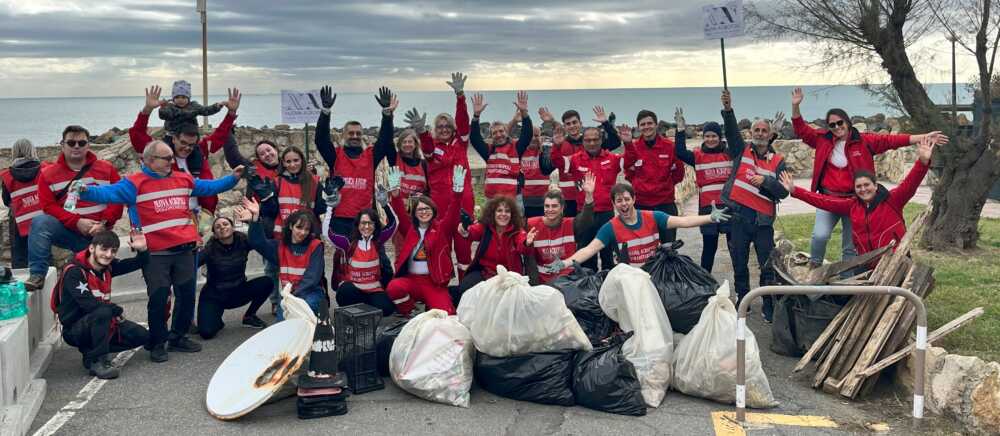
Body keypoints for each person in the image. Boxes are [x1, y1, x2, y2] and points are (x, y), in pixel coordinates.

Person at [73, 141, 243, 362]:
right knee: (159, 297)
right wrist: (84, 191)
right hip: (155, 254)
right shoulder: (134, 183)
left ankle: (178, 337)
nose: (172, 161)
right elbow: (107, 193)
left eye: (172, 157)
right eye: (167, 158)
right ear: (150, 160)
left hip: (185, 250)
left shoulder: (183, 178)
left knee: (186, 295)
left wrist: (233, 178)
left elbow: (209, 187)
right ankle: (158, 341)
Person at [790, 87, 948, 267]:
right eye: (832, 125)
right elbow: (801, 130)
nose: (837, 127)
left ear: (848, 122)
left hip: (855, 200)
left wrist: (923, 137)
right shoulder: (822, 139)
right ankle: (814, 267)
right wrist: (795, 106)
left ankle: (848, 281)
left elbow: (892, 141)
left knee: (850, 246)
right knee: (820, 235)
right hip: (829, 197)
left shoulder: (864, 141)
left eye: (840, 123)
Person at [782, 136, 936, 266]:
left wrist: (922, 161)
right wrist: (795, 191)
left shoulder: (893, 200)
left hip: (895, 262)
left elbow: (911, 183)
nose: (863, 189)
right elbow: (824, 201)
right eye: (859, 187)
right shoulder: (852, 205)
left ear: (875, 185)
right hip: (866, 264)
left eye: (867, 185)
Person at [542, 183, 730, 271]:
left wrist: (710, 218)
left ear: (633, 199)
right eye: (618, 201)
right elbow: (590, 249)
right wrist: (565, 262)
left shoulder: (653, 217)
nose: (623, 204)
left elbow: (683, 221)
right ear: (614, 204)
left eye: (626, 199)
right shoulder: (610, 228)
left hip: (654, 273)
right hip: (630, 279)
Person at [25, 125, 124, 291]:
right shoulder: (48, 174)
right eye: (71, 143)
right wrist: (76, 222)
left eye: (81, 142)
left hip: (101, 234)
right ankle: (37, 274)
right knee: (40, 222)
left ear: (88, 145)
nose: (76, 146)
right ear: (62, 145)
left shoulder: (106, 169)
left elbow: (117, 198)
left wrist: (103, 224)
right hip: (70, 231)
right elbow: (48, 206)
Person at [720, 89, 789, 322]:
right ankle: (743, 298)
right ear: (751, 133)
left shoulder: (778, 161)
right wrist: (728, 110)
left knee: (767, 265)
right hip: (739, 218)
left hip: (763, 222)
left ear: (770, 135)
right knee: (739, 263)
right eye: (756, 130)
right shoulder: (742, 150)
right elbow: (730, 132)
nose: (760, 133)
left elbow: (783, 192)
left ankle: (768, 303)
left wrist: (766, 181)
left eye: (764, 130)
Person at [51, 230, 150, 379]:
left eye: (113, 251)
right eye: (104, 249)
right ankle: (98, 360)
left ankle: (91, 353)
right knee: (102, 312)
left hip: (102, 321)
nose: (108, 255)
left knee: (143, 336)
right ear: (92, 248)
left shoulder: (107, 266)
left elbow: (135, 263)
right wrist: (116, 310)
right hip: (76, 330)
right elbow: (91, 305)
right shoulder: (74, 272)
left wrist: (142, 250)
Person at [130, 85, 240, 215]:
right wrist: (147, 110)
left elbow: (220, 135)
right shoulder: (159, 153)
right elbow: (137, 135)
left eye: (191, 144)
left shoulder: (200, 150)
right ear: (174, 138)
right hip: (171, 215)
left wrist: (231, 114)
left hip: (201, 215)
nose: (187, 148)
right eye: (183, 143)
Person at [315, 86, 398, 237]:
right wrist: (325, 112)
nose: (354, 136)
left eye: (358, 133)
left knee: (371, 257)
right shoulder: (336, 155)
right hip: (340, 218)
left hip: (365, 219)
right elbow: (321, 140)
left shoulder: (370, 155)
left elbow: (385, 140)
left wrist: (387, 114)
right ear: (344, 135)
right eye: (351, 133)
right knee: (343, 258)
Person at [385, 166, 466, 316]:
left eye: (427, 208)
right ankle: (411, 312)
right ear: (415, 213)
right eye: (420, 210)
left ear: (433, 211)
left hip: (433, 283)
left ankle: (431, 307)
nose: (424, 212)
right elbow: (400, 214)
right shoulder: (410, 229)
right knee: (393, 288)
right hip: (412, 280)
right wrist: (395, 195)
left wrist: (458, 193)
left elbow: (453, 212)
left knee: (446, 316)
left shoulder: (441, 229)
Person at [548, 121, 623, 270]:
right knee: (586, 254)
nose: (592, 143)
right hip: (585, 214)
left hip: (606, 213)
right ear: (583, 142)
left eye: (595, 139)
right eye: (588, 140)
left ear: (601, 140)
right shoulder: (575, 159)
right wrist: (556, 146)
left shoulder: (613, 159)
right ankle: (588, 287)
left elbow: (631, 160)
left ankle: (608, 284)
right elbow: (557, 162)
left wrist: (628, 143)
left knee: (607, 252)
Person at [239, 197, 327, 317]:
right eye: (299, 227)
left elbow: (312, 278)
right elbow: (258, 243)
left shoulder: (315, 246)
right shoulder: (280, 246)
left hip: (310, 294)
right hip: (289, 296)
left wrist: (292, 297)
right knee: (283, 326)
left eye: (307, 229)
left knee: (303, 314)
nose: (303, 232)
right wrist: (255, 219)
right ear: (291, 226)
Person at [326, 179, 398, 316]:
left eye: (370, 223)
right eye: (363, 223)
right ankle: (362, 312)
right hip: (355, 290)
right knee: (344, 293)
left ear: (375, 225)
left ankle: (365, 310)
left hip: (374, 291)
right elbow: (327, 233)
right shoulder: (348, 244)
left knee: (387, 308)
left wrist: (385, 204)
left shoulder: (378, 241)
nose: (366, 227)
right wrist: (330, 207)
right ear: (358, 225)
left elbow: (395, 223)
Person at [537, 105, 622, 217]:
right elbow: (545, 169)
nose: (572, 126)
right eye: (568, 124)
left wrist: (606, 123)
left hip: (589, 198)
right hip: (568, 200)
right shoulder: (559, 144)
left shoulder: (592, 142)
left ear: (580, 123)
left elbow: (615, 141)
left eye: (574, 122)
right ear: (564, 127)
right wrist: (551, 140)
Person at [673, 112, 732, 272]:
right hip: (707, 209)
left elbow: (749, 150)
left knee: (735, 249)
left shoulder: (729, 154)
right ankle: (705, 281)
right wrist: (680, 130)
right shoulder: (698, 156)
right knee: (709, 248)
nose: (710, 139)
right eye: (707, 136)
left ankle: (742, 287)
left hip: (729, 207)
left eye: (714, 136)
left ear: (720, 137)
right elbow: (679, 152)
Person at [196, 216, 271, 340]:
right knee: (206, 333)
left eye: (225, 224)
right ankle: (216, 317)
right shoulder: (210, 249)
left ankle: (249, 316)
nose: (222, 227)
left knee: (267, 282)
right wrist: (193, 250)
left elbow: (261, 240)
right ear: (215, 234)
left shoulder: (243, 240)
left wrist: (254, 222)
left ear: (233, 228)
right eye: (218, 227)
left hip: (238, 291)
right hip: (215, 295)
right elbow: (193, 264)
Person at [453, 195, 532, 304]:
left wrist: (527, 243)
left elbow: (523, 246)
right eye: (499, 211)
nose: (503, 214)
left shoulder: (517, 231)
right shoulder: (485, 227)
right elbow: (472, 232)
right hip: (484, 272)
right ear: (492, 213)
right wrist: (465, 230)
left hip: (508, 276)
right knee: (463, 289)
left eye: (507, 211)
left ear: (512, 214)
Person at [623, 110, 686, 242]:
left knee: (668, 249)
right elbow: (628, 173)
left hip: (666, 205)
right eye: (643, 124)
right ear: (638, 127)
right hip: (641, 206)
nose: (647, 127)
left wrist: (664, 186)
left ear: (656, 125)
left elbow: (679, 174)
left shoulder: (669, 146)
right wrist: (641, 186)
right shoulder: (633, 148)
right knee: (644, 249)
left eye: (650, 123)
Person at [524, 172, 597, 283]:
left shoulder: (570, 224)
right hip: (542, 281)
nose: (550, 209)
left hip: (567, 280)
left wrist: (589, 196)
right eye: (547, 206)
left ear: (562, 208)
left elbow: (586, 220)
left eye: (554, 206)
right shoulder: (531, 224)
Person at [469, 91, 533, 201]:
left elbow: (527, 134)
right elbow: (475, 138)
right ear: (491, 136)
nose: (499, 135)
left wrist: (524, 113)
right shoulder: (489, 150)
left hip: (513, 198)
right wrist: (476, 116)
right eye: (495, 133)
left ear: (506, 132)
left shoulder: (516, 147)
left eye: (501, 131)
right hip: (492, 199)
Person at [156, 80, 226, 174]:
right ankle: (163, 170)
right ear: (173, 98)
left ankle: (195, 172)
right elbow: (163, 115)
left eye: (184, 97)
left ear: (188, 98)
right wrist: (162, 108)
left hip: (190, 136)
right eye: (177, 97)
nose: (180, 100)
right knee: (164, 150)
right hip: (171, 135)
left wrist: (218, 106)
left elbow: (206, 110)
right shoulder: (170, 107)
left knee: (196, 152)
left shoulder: (194, 106)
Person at [260, 146, 325, 238]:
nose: (292, 165)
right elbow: (269, 212)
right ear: (283, 163)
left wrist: (329, 196)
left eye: (296, 160)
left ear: (302, 160)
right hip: (282, 236)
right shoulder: (277, 182)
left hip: (307, 236)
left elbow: (321, 209)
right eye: (288, 161)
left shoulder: (314, 181)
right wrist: (265, 197)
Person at [1, 139, 46, 268]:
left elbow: (6, 200)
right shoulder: (44, 170)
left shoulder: (8, 175)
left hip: (19, 220)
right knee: (43, 254)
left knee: (19, 257)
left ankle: (21, 285)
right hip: (42, 218)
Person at [518, 121, 549, 218]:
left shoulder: (545, 152)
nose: (533, 138)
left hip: (543, 200)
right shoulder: (519, 151)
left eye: (536, 136)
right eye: (530, 135)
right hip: (524, 200)